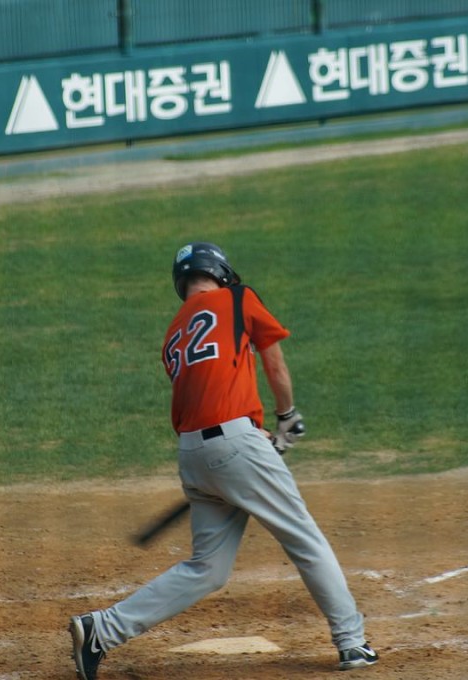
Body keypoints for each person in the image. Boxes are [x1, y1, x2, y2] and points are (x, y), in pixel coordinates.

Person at [69, 242, 377, 679]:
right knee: (305, 540)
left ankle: (101, 629)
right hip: (235, 449)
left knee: (207, 569)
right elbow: (274, 363)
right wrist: (286, 416)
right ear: (221, 272)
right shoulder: (237, 297)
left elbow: (208, 393)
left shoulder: (173, 332)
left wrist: (252, 433)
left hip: (194, 455)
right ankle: (352, 643)